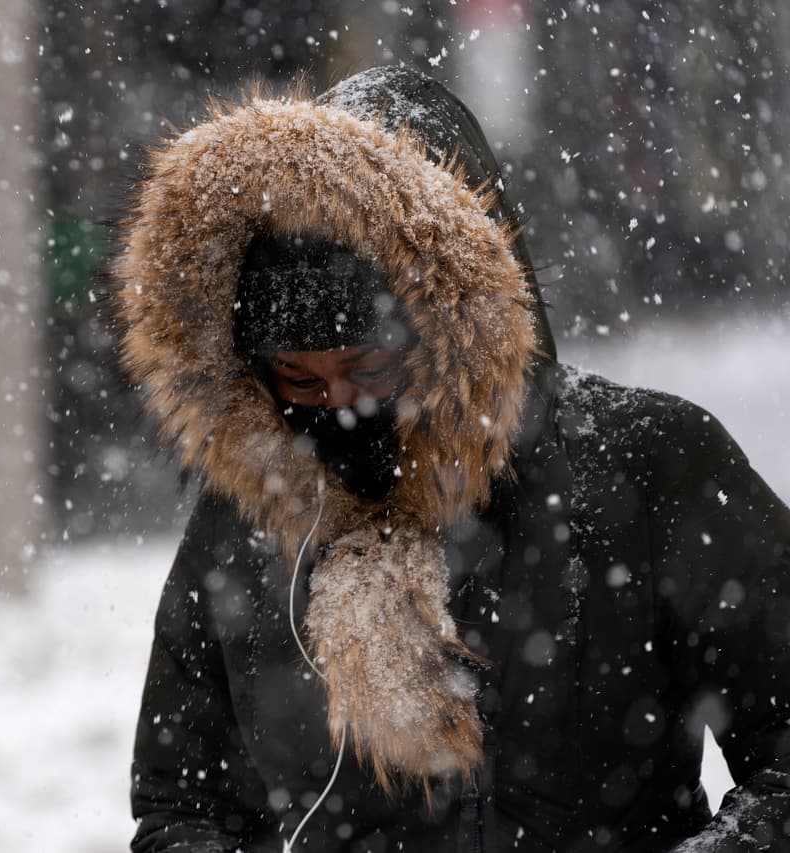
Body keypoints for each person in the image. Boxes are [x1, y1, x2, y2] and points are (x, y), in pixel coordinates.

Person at [112, 66, 790, 852]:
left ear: (446, 337)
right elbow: (182, 806)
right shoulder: (252, 514)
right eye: (300, 379)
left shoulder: (648, 464)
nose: (336, 406)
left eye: (368, 369)